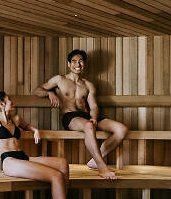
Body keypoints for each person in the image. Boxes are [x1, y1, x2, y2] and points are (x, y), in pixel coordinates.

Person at [34, 49, 128, 180]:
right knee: (89, 126)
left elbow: (94, 106)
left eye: (80, 61)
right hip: (71, 117)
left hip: (88, 117)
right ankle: (102, 168)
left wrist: (94, 118)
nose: (77, 64)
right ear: (68, 64)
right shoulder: (59, 80)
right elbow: (38, 90)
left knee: (121, 129)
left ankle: (94, 161)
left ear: (85, 64)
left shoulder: (88, 85)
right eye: (74, 61)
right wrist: (49, 93)